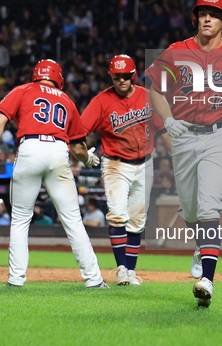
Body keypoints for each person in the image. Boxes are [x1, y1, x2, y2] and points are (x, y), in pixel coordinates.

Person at [147, 0, 222, 307]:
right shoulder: (177, 52)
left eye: (214, 14)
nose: (207, 18)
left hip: (220, 137)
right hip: (183, 136)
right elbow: (156, 90)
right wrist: (167, 121)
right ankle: (200, 245)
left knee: (209, 206)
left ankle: (207, 279)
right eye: (203, 13)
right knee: (191, 210)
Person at [0, 59, 108, 288]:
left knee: (20, 219)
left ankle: (16, 280)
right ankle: (94, 280)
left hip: (30, 149)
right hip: (59, 151)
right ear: (58, 77)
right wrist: (87, 158)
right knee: (73, 220)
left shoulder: (23, 90)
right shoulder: (67, 100)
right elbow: (78, 148)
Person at [81, 54, 168, 286]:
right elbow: (81, 130)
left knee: (138, 221)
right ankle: (121, 270)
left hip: (145, 163)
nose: (121, 81)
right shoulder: (101, 101)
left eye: (125, 76)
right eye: (116, 76)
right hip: (115, 164)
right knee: (118, 215)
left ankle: (130, 271)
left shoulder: (149, 97)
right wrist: (82, 151)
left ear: (133, 76)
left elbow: (163, 129)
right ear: (112, 77)